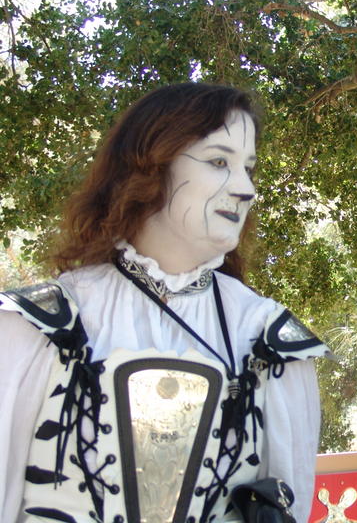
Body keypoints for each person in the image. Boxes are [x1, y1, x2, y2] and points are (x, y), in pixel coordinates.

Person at [0, 83, 330, 522]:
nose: (245, 188)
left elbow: (289, 503)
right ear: (152, 165)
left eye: (248, 168)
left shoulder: (267, 341)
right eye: (219, 162)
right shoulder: (37, 327)